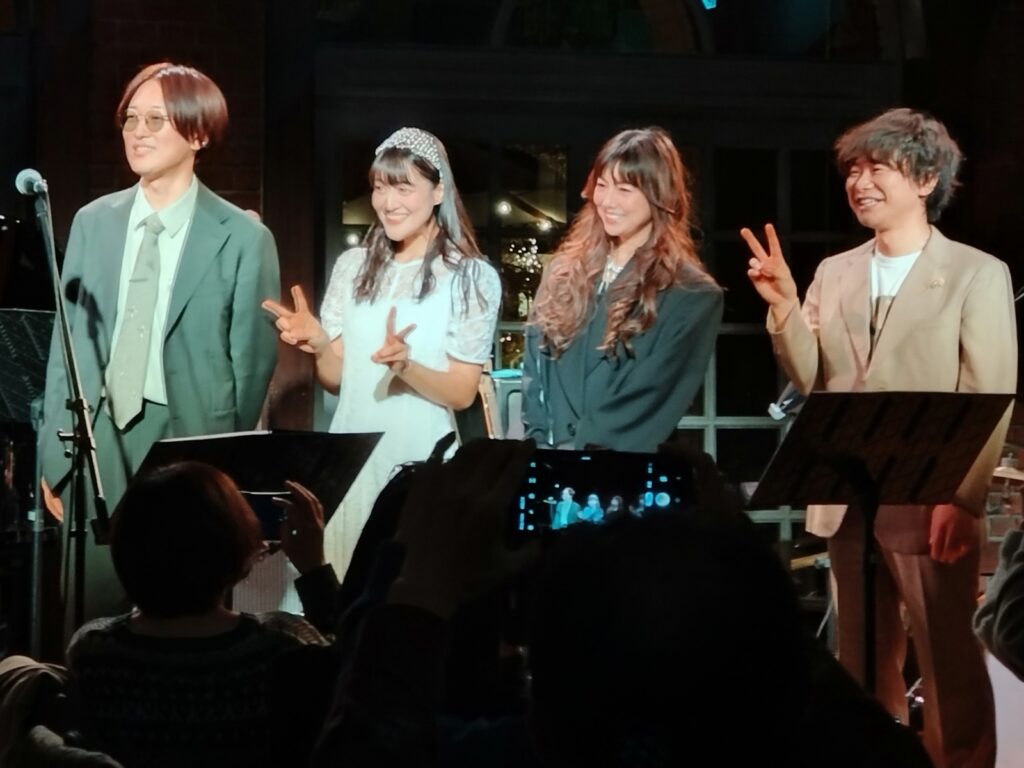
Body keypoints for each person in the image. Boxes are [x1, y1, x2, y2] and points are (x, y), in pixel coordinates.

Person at [742, 107, 1017, 768]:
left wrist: (963, 498)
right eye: (853, 170)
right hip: (848, 495)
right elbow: (812, 377)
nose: (860, 183)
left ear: (925, 180)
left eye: (878, 168)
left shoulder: (976, 272)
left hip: (930, 496)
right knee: (860, 664)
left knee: (949, 663)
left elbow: (987, 392)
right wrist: (784, 307)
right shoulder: (835, 271)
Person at [38, 62, 281, 623]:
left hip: (188, 442)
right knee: (91, 616)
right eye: (131, 119)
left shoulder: (243, 237)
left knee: (185, 610)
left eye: (155, 120)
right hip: (97, 442)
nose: (137, 132)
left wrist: (221, 466)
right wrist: (55, 458)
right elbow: (65, 346)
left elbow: (251, 363)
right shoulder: (94, 222)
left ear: (198, 134)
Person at [262, 127, 501, 578]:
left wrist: (405, 366)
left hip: (420, 462)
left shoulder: (470, 276)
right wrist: (320, 346)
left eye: (403, 188)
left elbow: (461, 391)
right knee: (339, 587)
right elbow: (337, 379)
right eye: (379, 187)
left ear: (438, 192)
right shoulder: (353, 267)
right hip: (352, 457)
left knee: (407, 586)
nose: (388, 202)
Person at [66, 462, 330, 768]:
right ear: (234, 543)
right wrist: (315, 569)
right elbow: (351, 677)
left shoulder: (92, 649)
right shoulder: (282, 644)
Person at [522, 127, 722, 453]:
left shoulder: (690, 295)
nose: (607, 201)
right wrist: (540, 448)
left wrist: (578, 456)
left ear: (659, 196)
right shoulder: (562, 272)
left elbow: (651, 397)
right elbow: (535, 374)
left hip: (621, 468)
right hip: (547, 463)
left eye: (625, 189)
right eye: (602, 186)